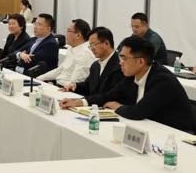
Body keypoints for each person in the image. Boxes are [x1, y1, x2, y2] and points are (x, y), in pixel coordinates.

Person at [65, 36, 194, 133]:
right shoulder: (132, 75)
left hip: (175, 133)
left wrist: (117, 106)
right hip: (147, 127)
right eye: (120, 57)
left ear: (141, 61)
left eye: (124, 58)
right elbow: (108, 96)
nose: (120, 62)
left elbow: (138, 112)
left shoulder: (162, 80)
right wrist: (80, 102)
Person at [59, 27, 124, 107]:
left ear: (106, 43)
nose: (92, 49)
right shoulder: (95, 65)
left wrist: (81, 102)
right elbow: (88, 86)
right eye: (90, 46)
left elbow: (109, 95)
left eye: (94, 44)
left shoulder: (120, 65)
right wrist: (75, 86)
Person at [37, 19, 95, 86]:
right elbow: (60, 70)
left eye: (68, 31)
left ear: (78, 35)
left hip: (67, 89)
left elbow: (75, 81)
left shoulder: (86, 54)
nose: (66, 34)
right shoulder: (71, 48)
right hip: (59, 85)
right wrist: (39, 78)